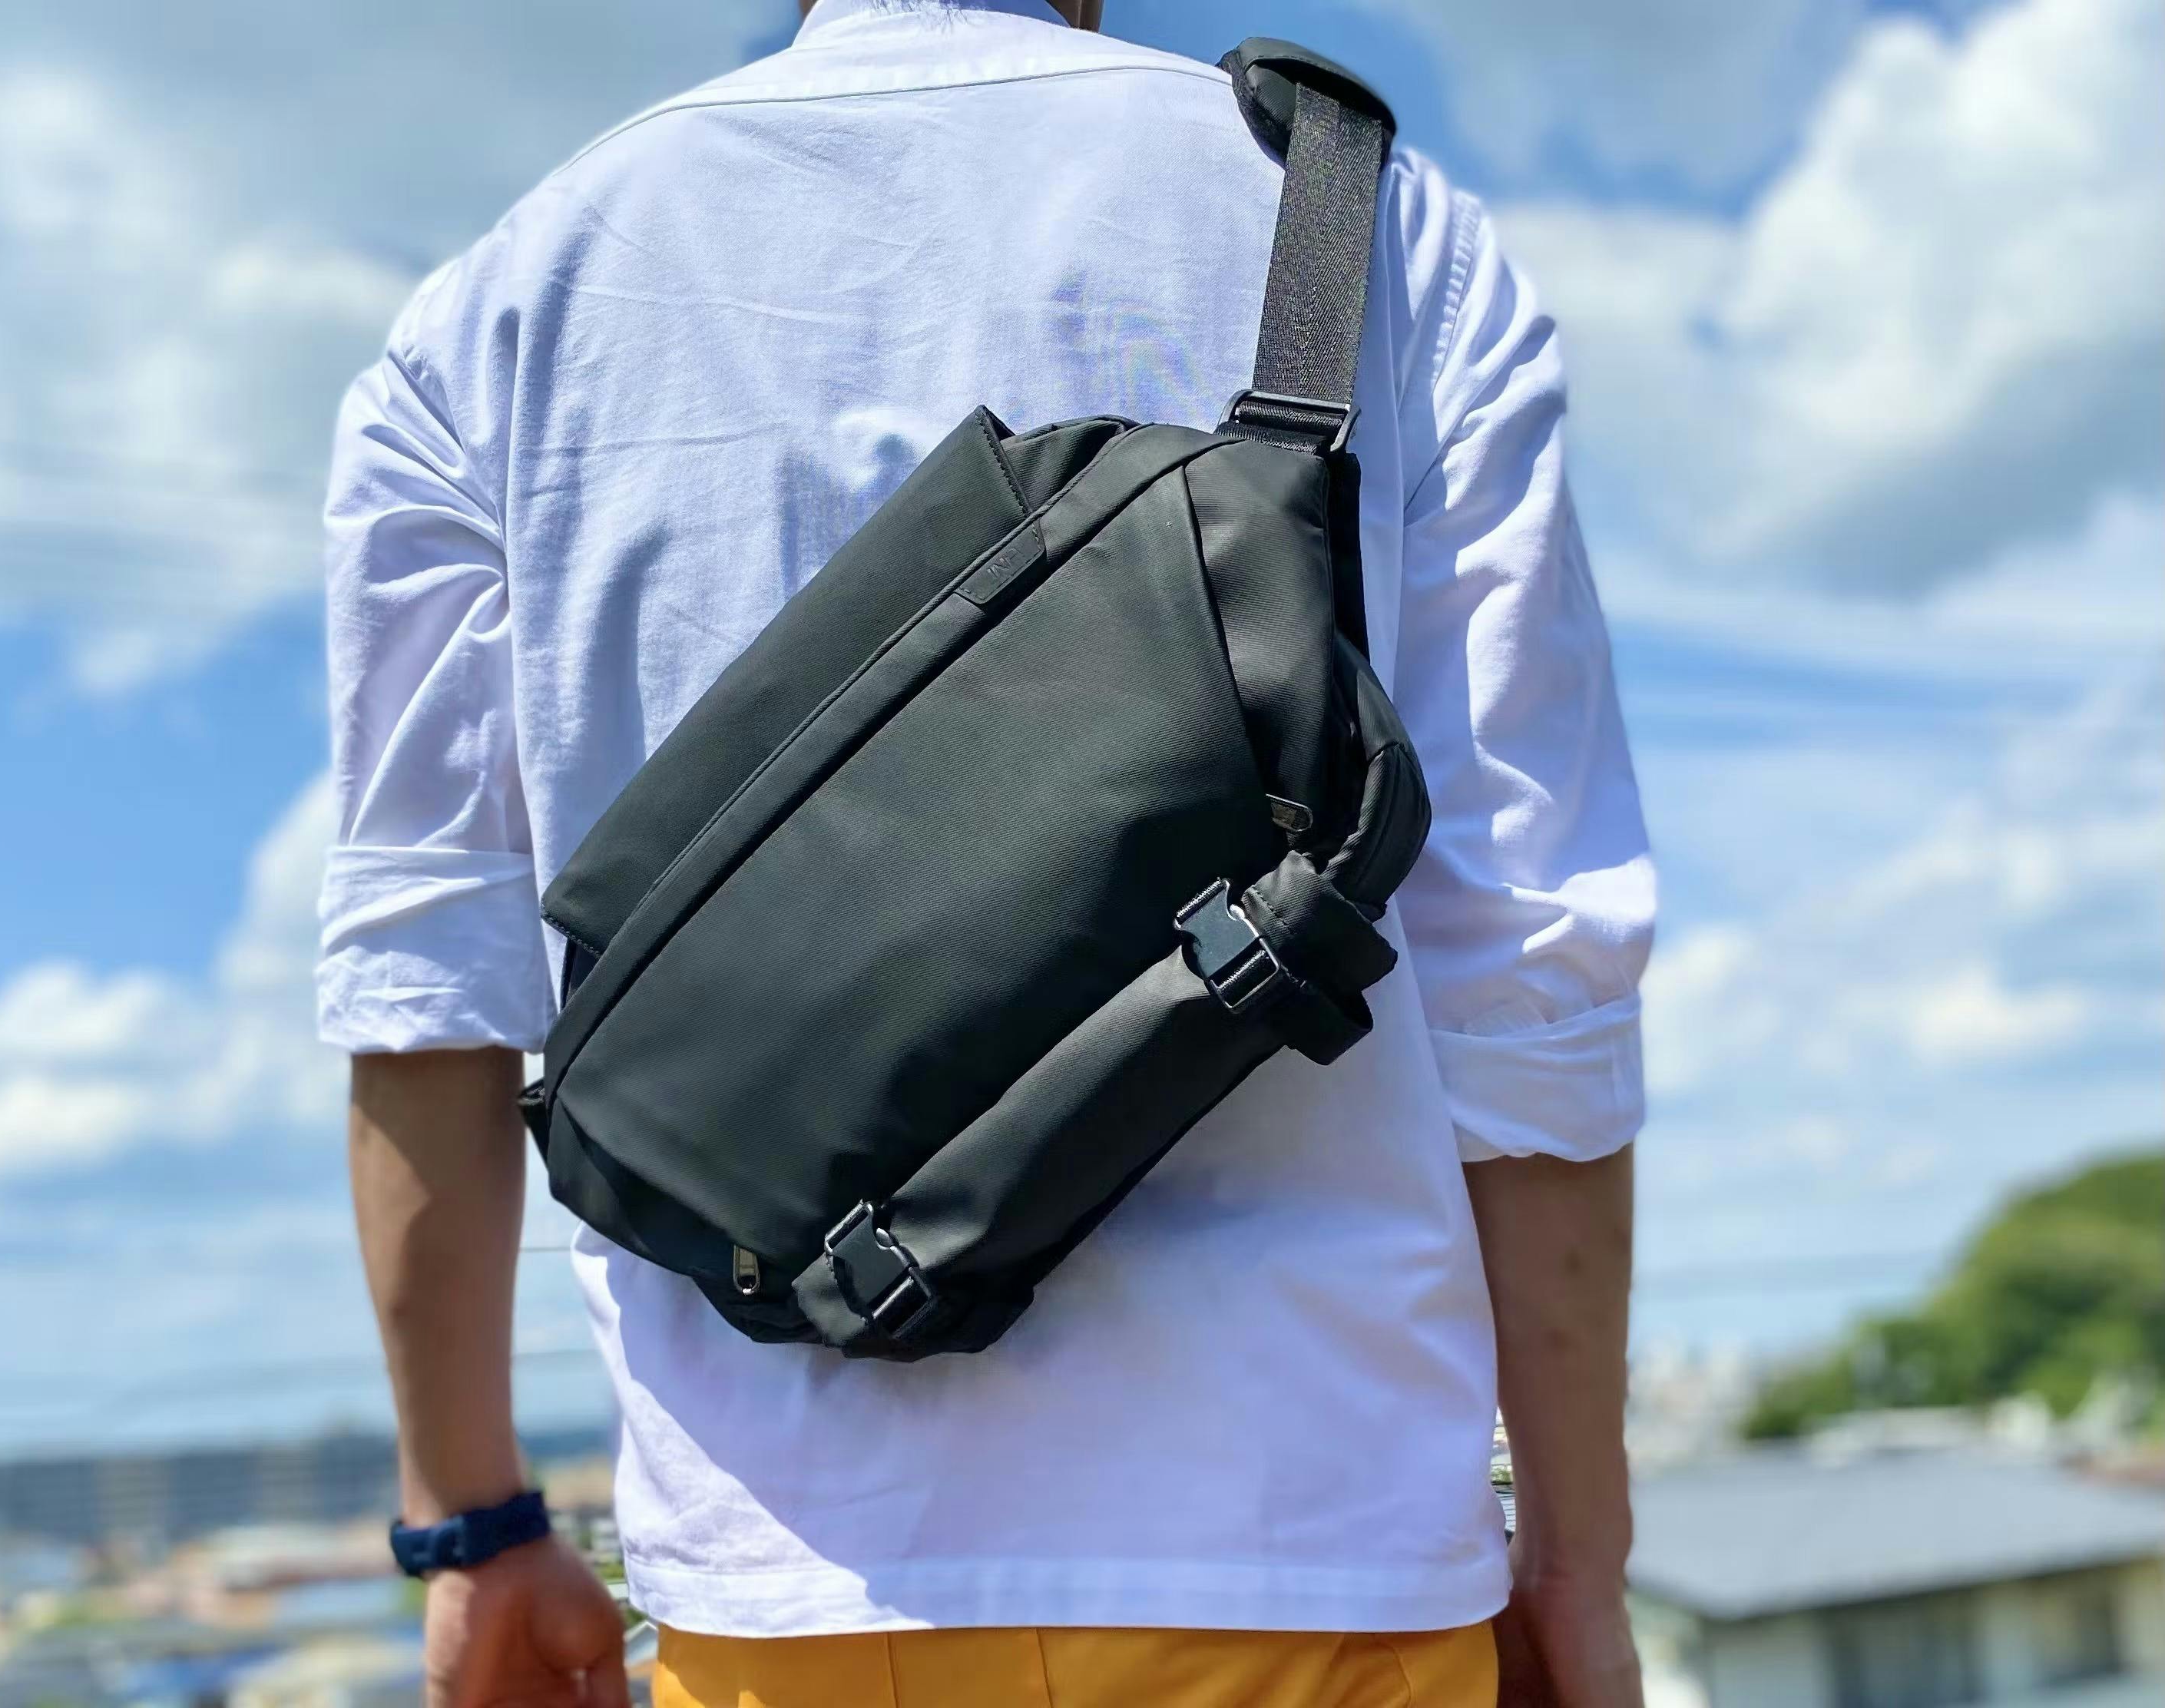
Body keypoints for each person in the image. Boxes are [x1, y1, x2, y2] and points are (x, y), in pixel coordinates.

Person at [317, 2, 1654, 1703]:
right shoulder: (1362, 220)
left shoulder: (494, 313)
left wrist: (474, 1528)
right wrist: (1572, 1559)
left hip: (783, 1589)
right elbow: (1529, 963)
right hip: (1310, 1548)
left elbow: (425, 982)